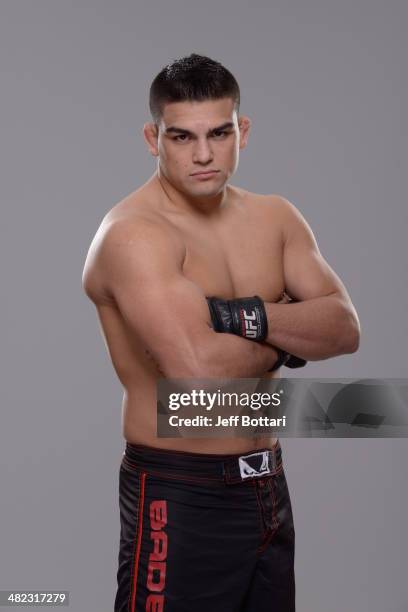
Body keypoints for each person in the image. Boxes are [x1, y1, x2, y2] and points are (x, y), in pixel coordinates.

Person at [82, 53, 360, 612]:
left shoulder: (277, 217)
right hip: (181, 491)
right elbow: (198, 374)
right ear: (152, 137)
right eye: (182, 137)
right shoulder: (135, 235)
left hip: (267, 485)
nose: (204, 154)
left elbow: (344, 328)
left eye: (219, 133)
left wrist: (237, 316)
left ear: (243, 131)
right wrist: (288, 325)